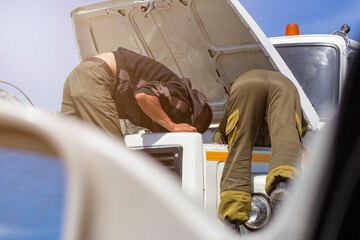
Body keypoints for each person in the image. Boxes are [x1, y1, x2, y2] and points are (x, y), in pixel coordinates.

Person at [212, 69, 308, 228]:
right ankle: (284, 186)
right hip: (285, 85)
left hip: (246, 82)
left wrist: (218, 146)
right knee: (286, 135)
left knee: (240, 148)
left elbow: (222, 135)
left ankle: (232, 219)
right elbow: (296, 130)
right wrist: (299, 145)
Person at [61, 47, 212, 139]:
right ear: (197, 120)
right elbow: (144, 95)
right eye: (193, 129)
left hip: (80, 74)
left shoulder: (159, 112)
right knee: (113, 153)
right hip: (98, 76)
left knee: (65, 149)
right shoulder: (182, 102)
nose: (190, 130)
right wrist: (173, 126)